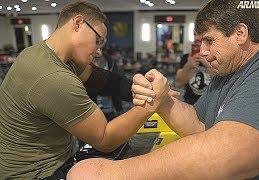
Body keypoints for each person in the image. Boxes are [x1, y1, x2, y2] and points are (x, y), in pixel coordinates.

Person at [67, 0, 259, 179]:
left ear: (241, 33)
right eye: (200, 43)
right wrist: (162, 98)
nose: (203, 52)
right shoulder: (226, 75)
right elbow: (199, 125)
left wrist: (113, 173)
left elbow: (229, 157)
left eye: (209, 41)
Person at [0, 1, 153, 179]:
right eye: (98, 41)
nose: (98, 52)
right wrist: (150, 103)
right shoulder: (52, 77)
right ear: (78, 23)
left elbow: (101, 79)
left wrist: (138, 88)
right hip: (36, 174)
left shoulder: (38, 52)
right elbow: (104, 138)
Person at [175, 34, 214, 104]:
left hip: (210, 103)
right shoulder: (186, 57)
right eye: (195, 34)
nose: (196, 38)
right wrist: (188, 66)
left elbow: (221, 83)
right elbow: (179, 82)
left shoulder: (214, 58)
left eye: (200, 34)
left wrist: (208, 65)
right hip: (189, 102)